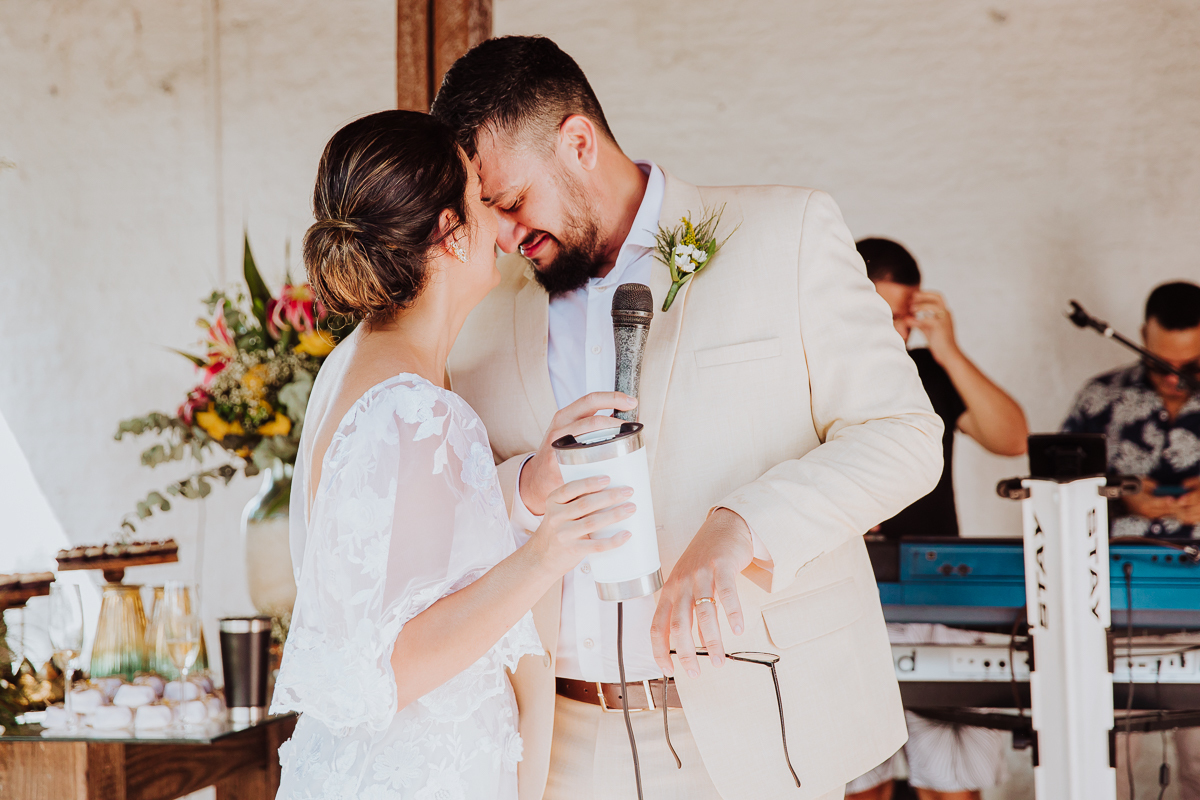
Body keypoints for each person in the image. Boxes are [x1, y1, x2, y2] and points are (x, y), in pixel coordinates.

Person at [431, 36, 945, 800]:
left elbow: (905, 438)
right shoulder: (477, 309)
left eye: (512, 203)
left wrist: (743, 524)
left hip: (755, 726)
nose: (505, 236)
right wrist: (523, 487)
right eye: (489, 214)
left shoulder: (787, 233)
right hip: (554, 740)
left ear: (578, 141)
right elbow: (452, 493)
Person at [269, 110, 646, 799]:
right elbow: (395, 663)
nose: (505, 227)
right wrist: (548, 554)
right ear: (447, 231)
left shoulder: (361, 367)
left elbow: (404, 557)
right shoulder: (414, 406)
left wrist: (530, 485)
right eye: (482, 199)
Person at [844, 239, 1029, 800]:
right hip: (849, 592)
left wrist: (946, 348)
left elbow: (1012, 437)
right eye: (883, 312)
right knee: (857, 783)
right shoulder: (813, 371)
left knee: (953, 783)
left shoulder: (928, 368)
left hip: (940, 590)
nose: (897, 329)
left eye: (905, 316)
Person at [1061, 280, 1200, 800]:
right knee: (1103, 762)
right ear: (1140, 335)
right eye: (1160, 361)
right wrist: (1120, 493)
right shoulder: (1102, 396)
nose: (1173, 377)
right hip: (1113, 606)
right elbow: (1054, 492)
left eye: (1190, 365)